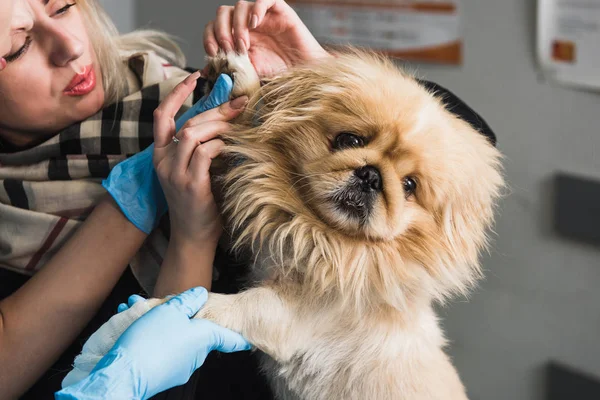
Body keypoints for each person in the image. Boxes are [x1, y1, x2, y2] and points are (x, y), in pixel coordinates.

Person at [0, 0, 329, 398]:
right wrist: (190, 236)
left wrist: (320, 76)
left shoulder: (196, 96)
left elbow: (411, 186)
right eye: (18, 48)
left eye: (63, 7)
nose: (69, 46)